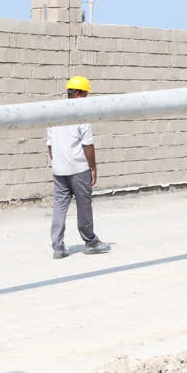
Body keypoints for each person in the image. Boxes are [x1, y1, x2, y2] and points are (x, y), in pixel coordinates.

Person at [48, 76, 110, 259]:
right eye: (85, 94)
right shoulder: (81, 115)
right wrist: (93, 167)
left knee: (59, 206)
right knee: (84, 206)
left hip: (59, 170)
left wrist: (57, 162)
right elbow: (88, 146)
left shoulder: (54, 114)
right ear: (77, 94)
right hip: (78, 169)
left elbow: (50, 145)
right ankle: (90, 242)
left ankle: (58, 247)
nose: (86, 99)